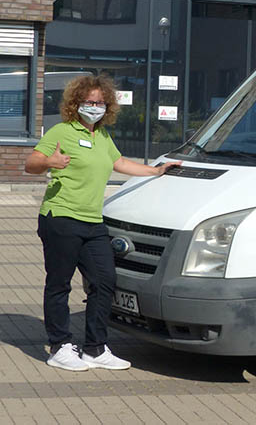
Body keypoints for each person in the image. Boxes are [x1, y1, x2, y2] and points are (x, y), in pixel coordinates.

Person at [24, 75, 182, 371]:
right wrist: (49, 162)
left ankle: (95, 349)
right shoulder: (62, 131)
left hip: (93, 221)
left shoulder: (102, 136)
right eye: (89, 102)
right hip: (61, 217)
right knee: (59, 285)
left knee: (104, 281)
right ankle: (59, 346)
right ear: (76, 103)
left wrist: (157, 171)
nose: (94, 107)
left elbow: (119, 163)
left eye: (100, 102)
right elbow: (30, 164)